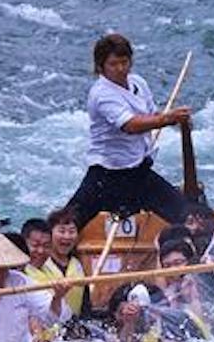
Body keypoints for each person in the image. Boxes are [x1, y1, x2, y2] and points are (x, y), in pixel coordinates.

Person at [65, 33, 192, 231]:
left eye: (125, 62)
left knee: (188, 215)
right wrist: (168, 119)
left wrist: (176, 120)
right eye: (113, 64)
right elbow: (130, 126)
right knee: (67, 225)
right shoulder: (101, 94)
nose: (121, 69)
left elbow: (151, 115)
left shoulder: (138, 83)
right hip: (107, 176)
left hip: (138, 172)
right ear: (101, 67)